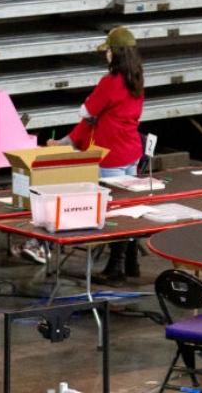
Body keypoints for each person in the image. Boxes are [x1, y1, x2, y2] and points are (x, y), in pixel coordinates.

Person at [49, 26, 145, 283]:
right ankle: (131, 262)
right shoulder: (136, 80)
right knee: (129, 209)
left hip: (110, 155)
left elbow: (87, 111)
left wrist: (66, 143)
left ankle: (115, 267)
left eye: (109, 51)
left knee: (112, 212)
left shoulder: (110, 82)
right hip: (131, 151)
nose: (107, 56)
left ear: (115, 53)